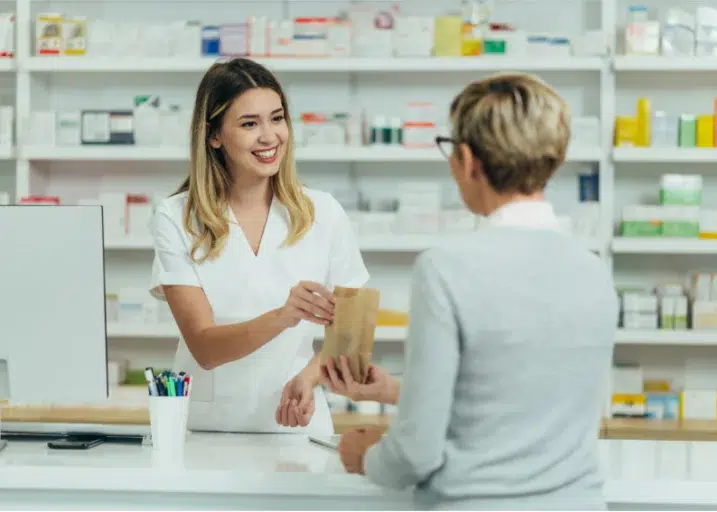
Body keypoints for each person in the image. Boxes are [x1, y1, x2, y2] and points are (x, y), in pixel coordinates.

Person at [321, 73, 618, 510]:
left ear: (468, 160)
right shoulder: (594, 272)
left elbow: (416, 453)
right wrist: (401, 392)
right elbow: (523, 400)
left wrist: (366, 457)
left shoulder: (446, 269)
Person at [149, 57, 368, 436]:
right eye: (250, 124)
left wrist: (310, 376)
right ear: (214, 135)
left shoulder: (323, 212)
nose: (270, 136)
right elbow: (205, 348)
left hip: (298, 426)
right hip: (210, 433)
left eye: (277, 118)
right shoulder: (177, 217)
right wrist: (286, 315)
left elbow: (353, 333)